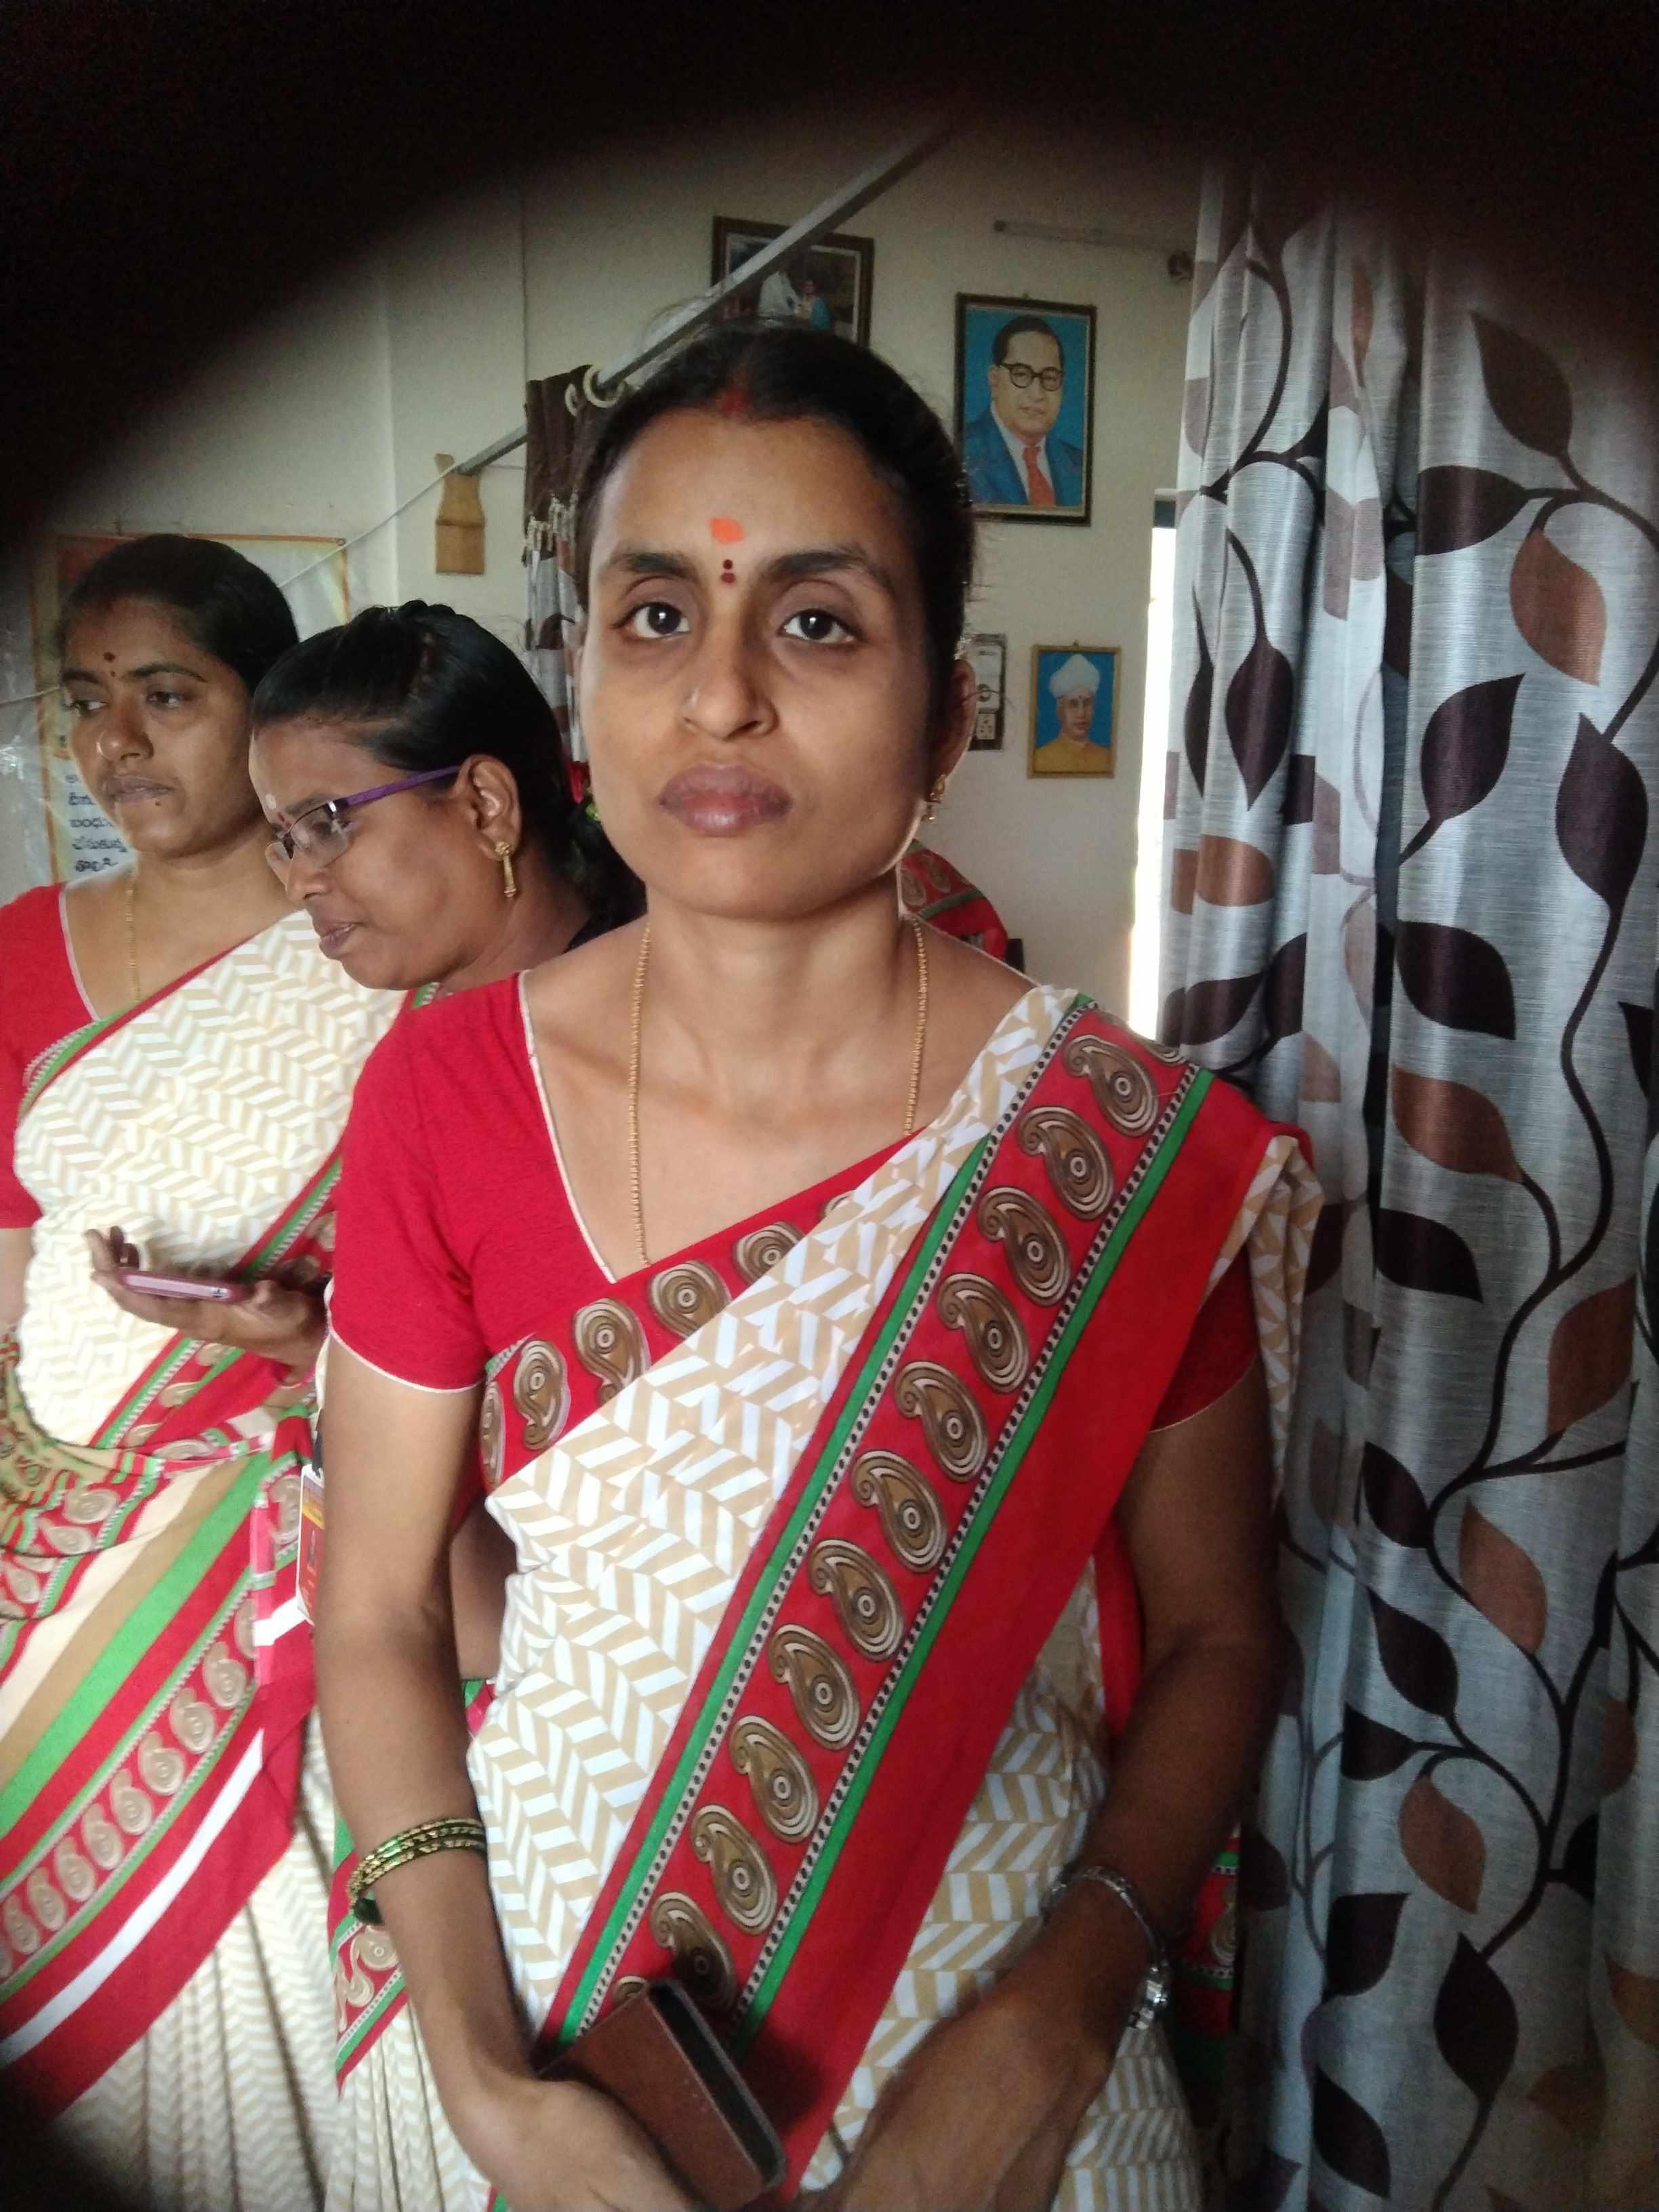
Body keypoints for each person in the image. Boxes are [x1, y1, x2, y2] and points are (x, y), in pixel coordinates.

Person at [314, 322, 1318, 2212]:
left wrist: (1057, 2024)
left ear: (946, 716)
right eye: (656, 618)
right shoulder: (443, 1096)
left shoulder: (1116, 1147)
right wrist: (484, 2080)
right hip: (559, 2042)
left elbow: (1217, 1637)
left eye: (817, 622)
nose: (720, 699)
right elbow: (372, 1611)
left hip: (1003, 2082)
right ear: (581, 682)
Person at [0, 534, 405, 2211]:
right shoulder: (22, 950)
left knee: (278, 1940)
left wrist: (305, 1364)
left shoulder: (368, 941)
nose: (117, 741)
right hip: (54, 1526)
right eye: (86, 702)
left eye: (167, 695)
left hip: (305, 1525)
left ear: (265, 704)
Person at [243, 600, 634, 2196]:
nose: (301, 879)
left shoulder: (653, 1056)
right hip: (435, 1713)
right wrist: (311, 1356)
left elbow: (554, 1569)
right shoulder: (427, 1060)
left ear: (483, 803)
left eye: (327, 823)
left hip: (598, 1745)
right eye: (280, 840)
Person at [962, 312, 1087, 510]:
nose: (1037, 394)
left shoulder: (1080, 465)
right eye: (1021, 374)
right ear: (994, 379)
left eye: (1050, 377)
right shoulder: (962, 454)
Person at [1033, 651, 1112, 775]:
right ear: (1060, 711)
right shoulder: (1041, 760)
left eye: (1087, 703)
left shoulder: (1106, 758)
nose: (1081, 713)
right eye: (1073, 704)